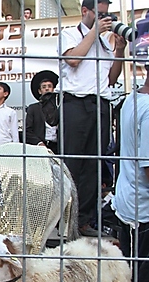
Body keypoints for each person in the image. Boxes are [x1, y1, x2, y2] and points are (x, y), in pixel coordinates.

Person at [58, 0, 126, 237]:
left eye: (107, 14)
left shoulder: (104, 41)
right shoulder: (69, 33)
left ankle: (84, 221)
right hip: (76, 104)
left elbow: (111, 78)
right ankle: (64, 222)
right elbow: (73, 59)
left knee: (94, 165)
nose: (104, 18)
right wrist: (94, 32)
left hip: (101, 104)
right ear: (85, 11)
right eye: (100, 13)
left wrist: (119, 50)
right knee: (73, 164)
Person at [111, 29, 149, 282]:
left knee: (135, 275)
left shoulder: (133, 99)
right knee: (142, 279)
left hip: (128, 202)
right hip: (143, 208)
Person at [25, 70, 59, 153]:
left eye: (49, 86)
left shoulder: (60, 107)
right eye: (44, 87)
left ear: (54, 89)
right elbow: (28, 130)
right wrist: (39, 143)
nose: (47, 88)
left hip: (58, 147)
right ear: (40, 91)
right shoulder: (33, 108)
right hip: (40, 147)